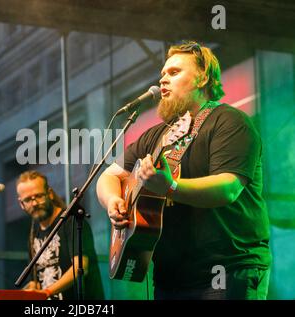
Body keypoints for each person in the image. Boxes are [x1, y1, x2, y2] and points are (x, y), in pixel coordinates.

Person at [96, 41, 271, 300]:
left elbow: (228, 188)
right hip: (170, 276)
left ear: (202, 78)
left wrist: (170, 187)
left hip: (228, 269)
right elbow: (110, 175)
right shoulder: (155, 136)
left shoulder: (230, 121)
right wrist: (114, 200)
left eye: (174, 72)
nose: (162, 80)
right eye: (163, 74)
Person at [16, 170, 104, 300]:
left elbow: (80, 267)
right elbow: (37, 280)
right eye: (28, 199)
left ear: (50, 194)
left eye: (38, 196)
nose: (34, 203)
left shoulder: (72, 221)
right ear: (21, 204)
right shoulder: (33, 234)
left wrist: (47, 292)